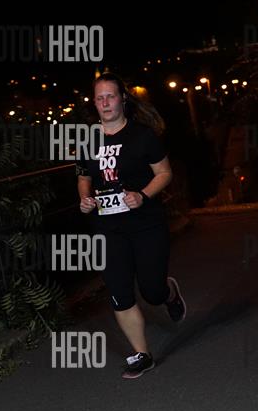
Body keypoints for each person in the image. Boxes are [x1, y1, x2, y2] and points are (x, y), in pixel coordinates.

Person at [75, 73, 187, 379]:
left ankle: (168, 293)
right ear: (94, 103)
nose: (105, 103)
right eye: (99, 98)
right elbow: (84, 177)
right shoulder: (87, 140)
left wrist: (143, 195)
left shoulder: (142, 136)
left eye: (110, 96)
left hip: (146, 223)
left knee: (151, 291)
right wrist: (85, 198)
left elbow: (164, 173)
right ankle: (142, 355)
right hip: (108, 228)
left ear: (122, 99)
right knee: (119, 291)